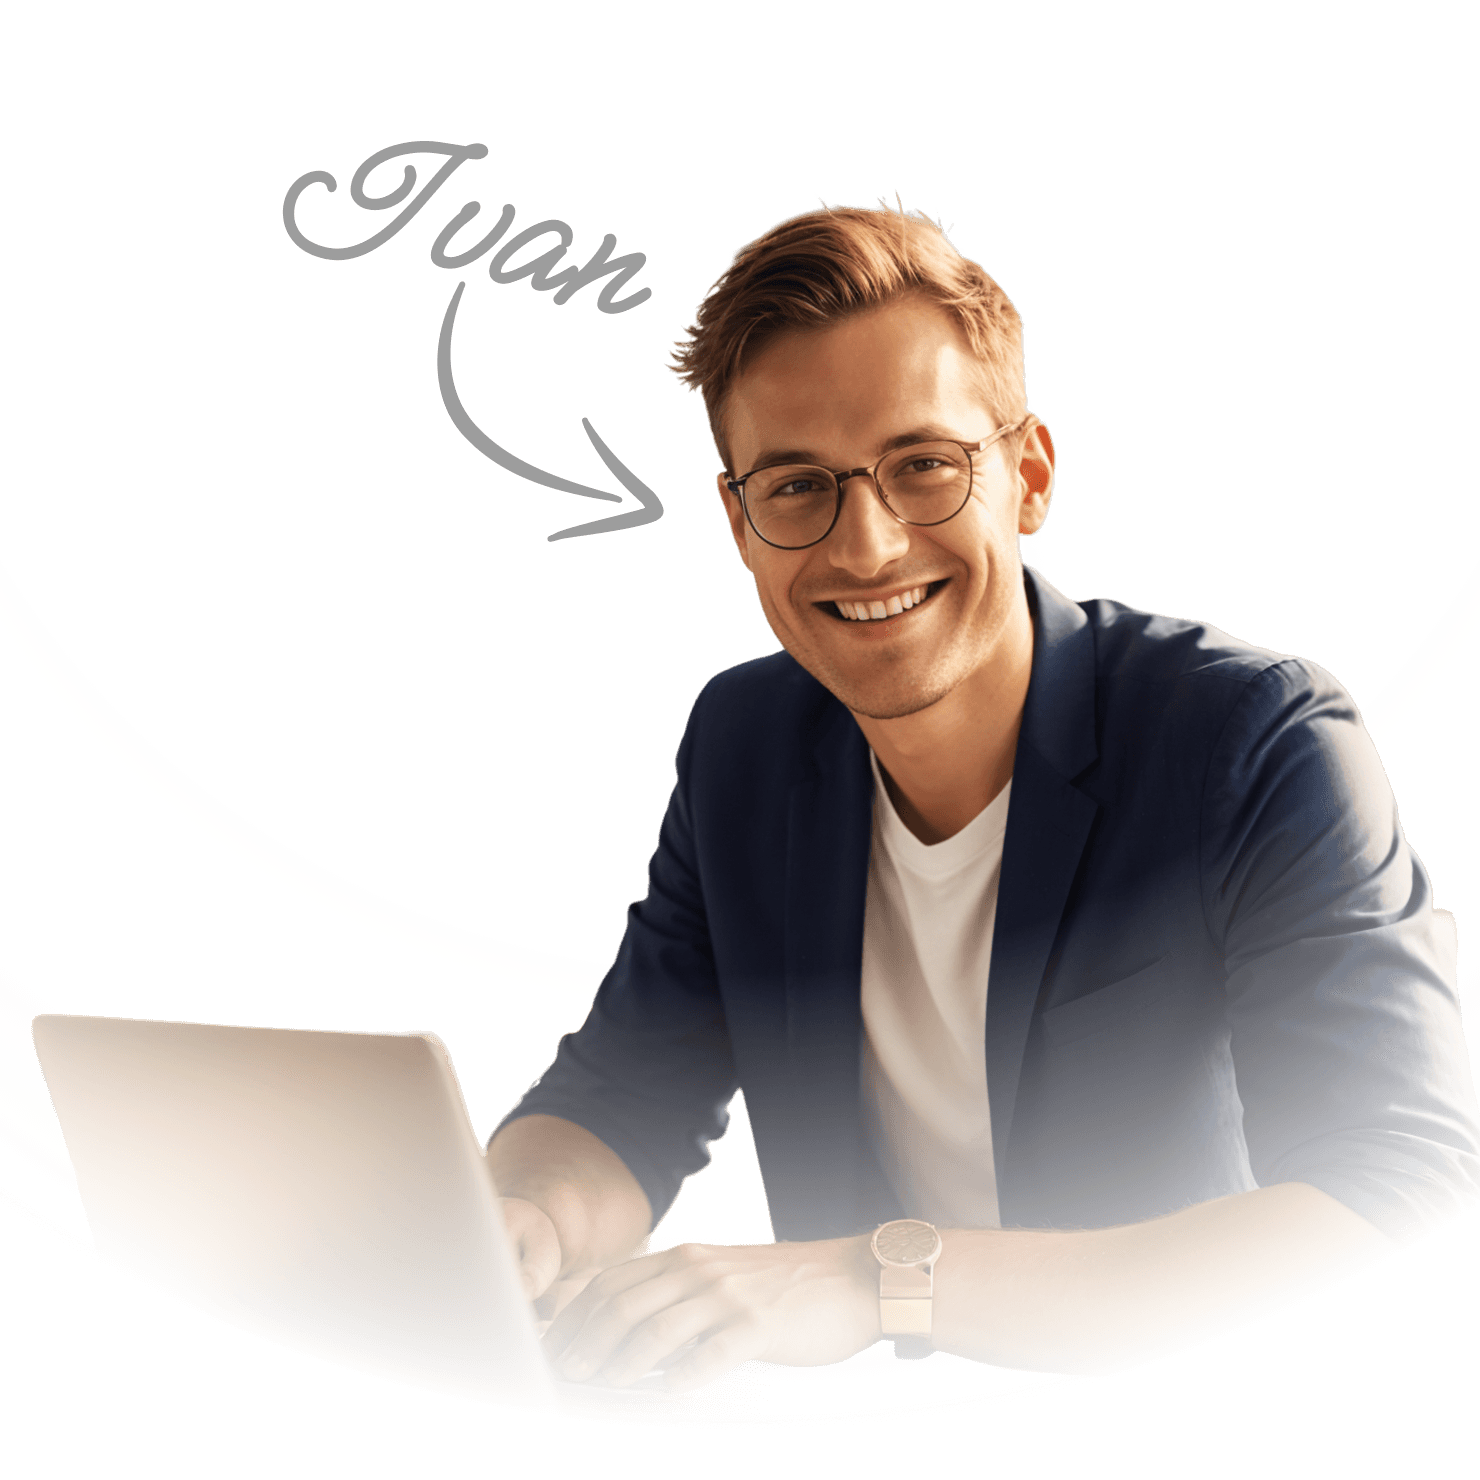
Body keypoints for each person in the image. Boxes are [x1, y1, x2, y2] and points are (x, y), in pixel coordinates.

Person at [486, 200, 1480, 1389]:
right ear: (738, 524)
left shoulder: (1250, 739)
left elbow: (1409, 1197)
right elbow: (624, 1095)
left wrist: (877, 1280)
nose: (864, 547)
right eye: (798, 487)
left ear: (1028, 475)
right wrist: (517, 1220)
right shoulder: (740, 746)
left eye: (921, 467)